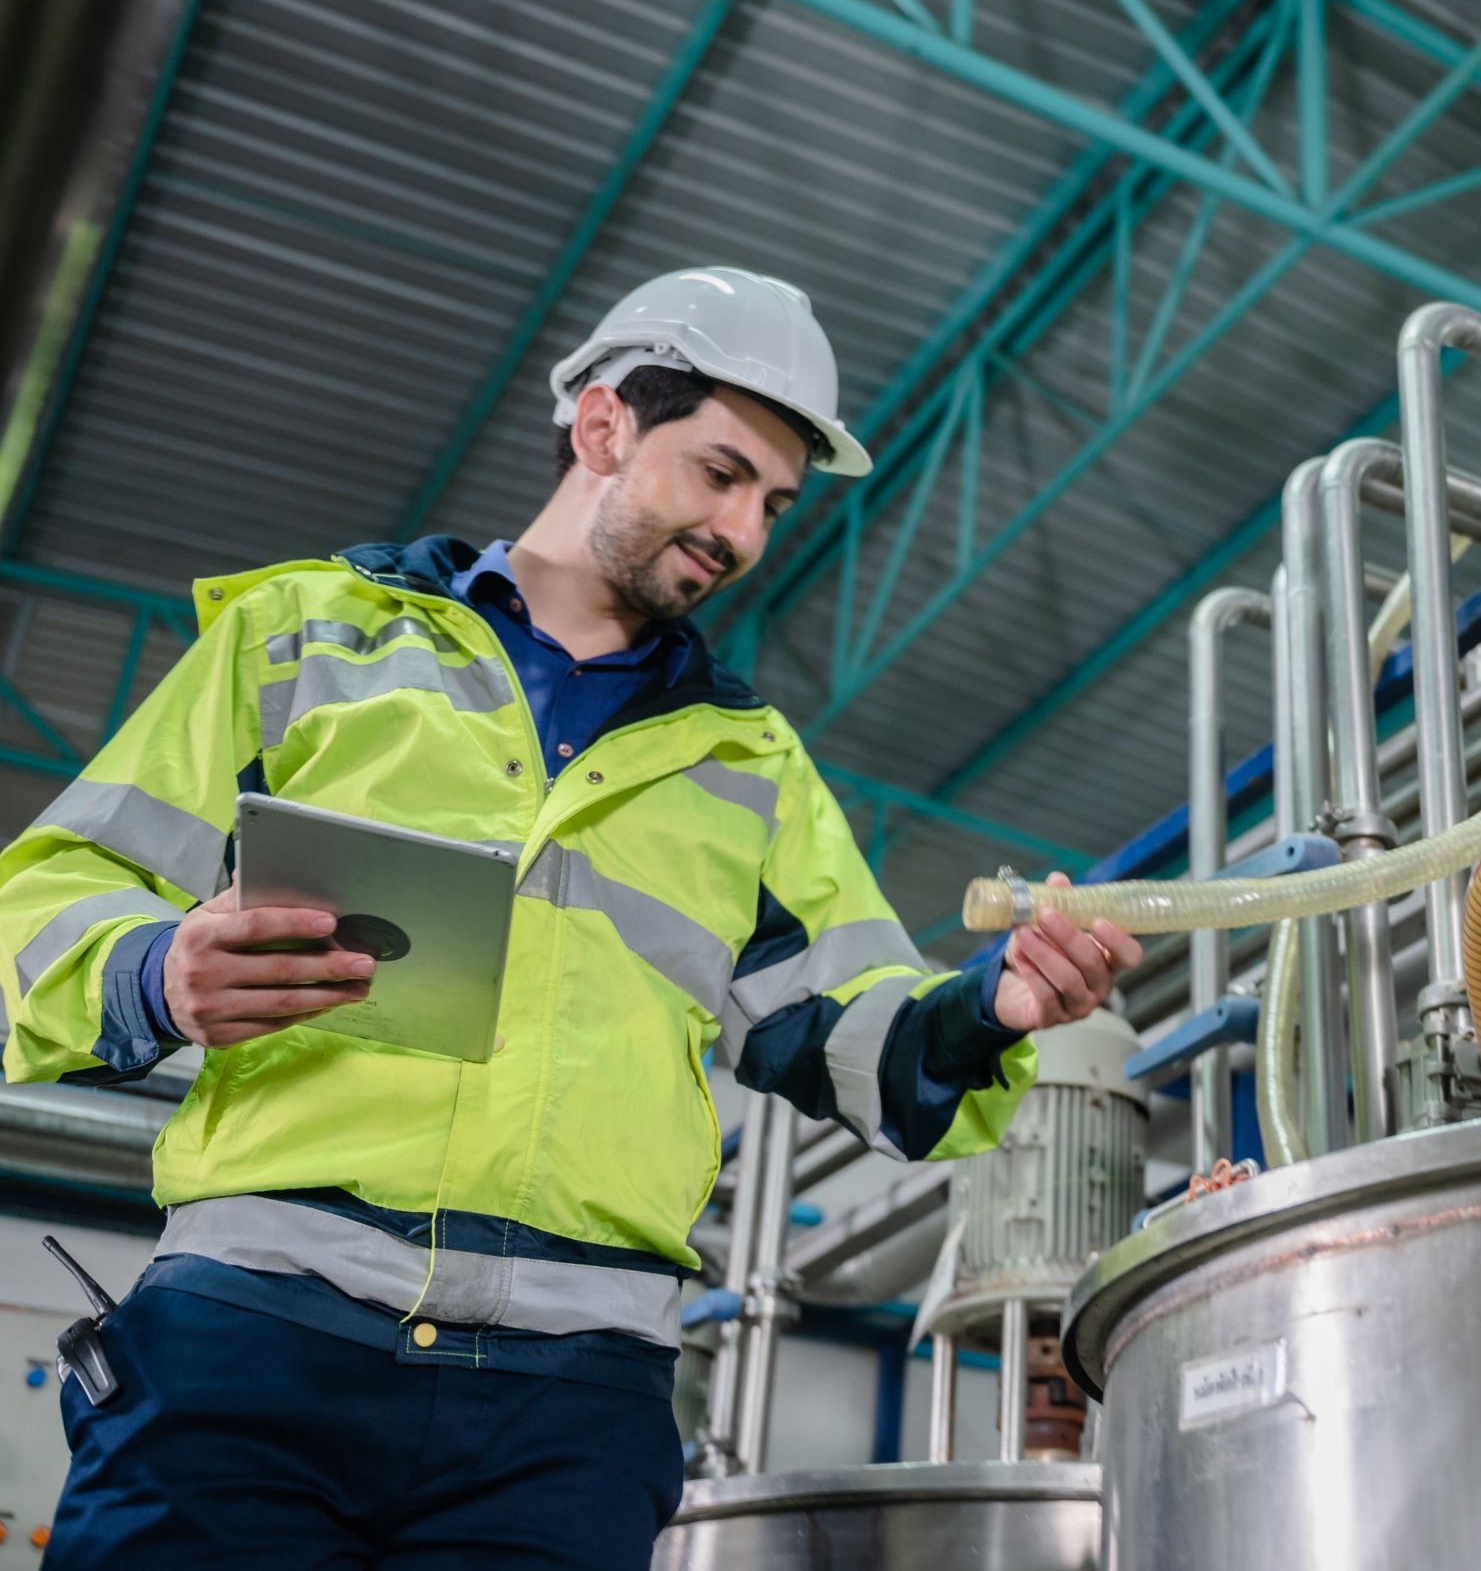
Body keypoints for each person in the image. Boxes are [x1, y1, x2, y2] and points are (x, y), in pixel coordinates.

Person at [0, 267, 1141, 1568]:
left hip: (564, 1410)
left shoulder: (748, 770)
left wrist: (996, 1004)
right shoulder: (309, 641)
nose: (746, 533)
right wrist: (159, 972)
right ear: (602, 426)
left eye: (772, 502)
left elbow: (855, 1036)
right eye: (720, 474)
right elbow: (45, 897)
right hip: (255, 1340)